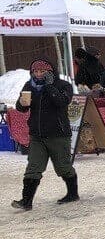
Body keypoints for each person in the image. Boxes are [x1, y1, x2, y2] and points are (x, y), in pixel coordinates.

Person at [11, 58, 79, 210]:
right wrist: (22, 103)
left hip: (58, 134)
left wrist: (49, 87)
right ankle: (26, 201)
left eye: (42, 71)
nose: (38, 74)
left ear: (50, 71)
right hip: (37, 135)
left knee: (63, 167)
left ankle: (73, 194)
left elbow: (62, 102)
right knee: (33, 168)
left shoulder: (63, 85)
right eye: (35, 71)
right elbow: (20, 108)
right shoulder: (30, 86)